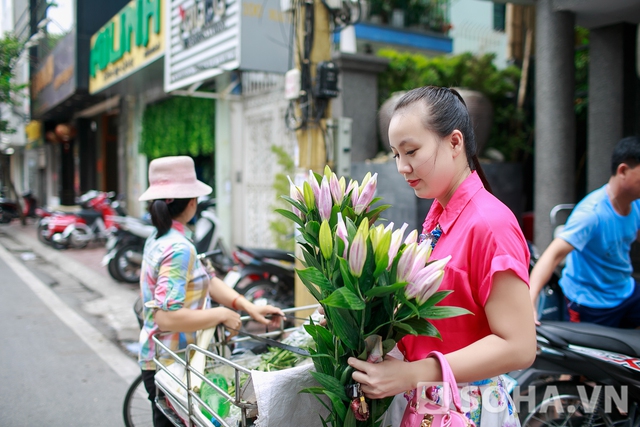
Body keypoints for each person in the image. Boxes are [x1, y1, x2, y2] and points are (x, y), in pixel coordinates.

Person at [346, 86, 536, 426]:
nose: (402, 167)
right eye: (395, 155)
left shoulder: (489, 224)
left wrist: (413, 373)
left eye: (412, 151)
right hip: (430, 405)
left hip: (465, 409)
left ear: (454, 142)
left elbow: (519, 346)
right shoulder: (440, 217)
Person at [137, 156, 284, 427]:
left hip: (170, 359)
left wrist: (248, 306)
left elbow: (207, 280)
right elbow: (164, 317)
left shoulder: (163, 238)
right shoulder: (178, 248)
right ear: (192, 202)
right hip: (171, 362)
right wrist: (219, 314)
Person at [529, 136, 640, 328]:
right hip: (589, 302)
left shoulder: (636, 204)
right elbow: (552, 255)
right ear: (623, 170)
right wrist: (529, 302)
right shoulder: (591, 214)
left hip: (624, 290)